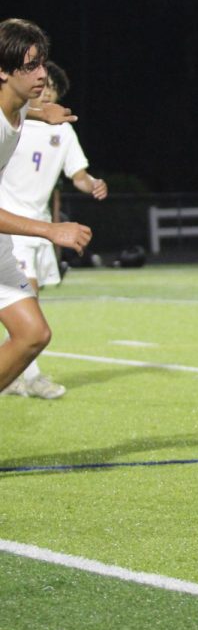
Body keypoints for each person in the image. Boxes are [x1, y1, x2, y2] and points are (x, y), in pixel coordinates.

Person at [0, 60, 106, 398]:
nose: (43, 81)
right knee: (30, 320)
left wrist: (92, 184)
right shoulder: (10, 121)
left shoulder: (47, 125)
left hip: (27, 229)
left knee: (33, 329)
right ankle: (30, 377)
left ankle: (23, 375)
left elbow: (78, 174)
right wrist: (49, 230)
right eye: (31, 68)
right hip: (17, 227)